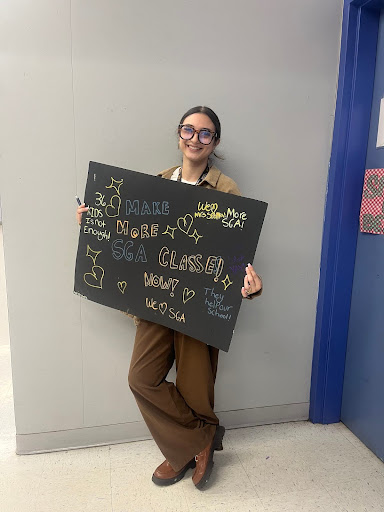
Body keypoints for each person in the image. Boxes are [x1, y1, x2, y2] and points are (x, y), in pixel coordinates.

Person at [76, 106, 262, 490]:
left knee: (195, 386)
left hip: (197, 306)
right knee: (142, 378)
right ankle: (198, 440)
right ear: (179, 135)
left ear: (215, 142)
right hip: (155, 304)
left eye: (205, 133)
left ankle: (190, 448)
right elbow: (130, 239)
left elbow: (234, 256)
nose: (195, 138)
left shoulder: (225, 190)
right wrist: (94, 223)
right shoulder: (156, 183)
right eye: (189, 130)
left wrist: (250, 285)